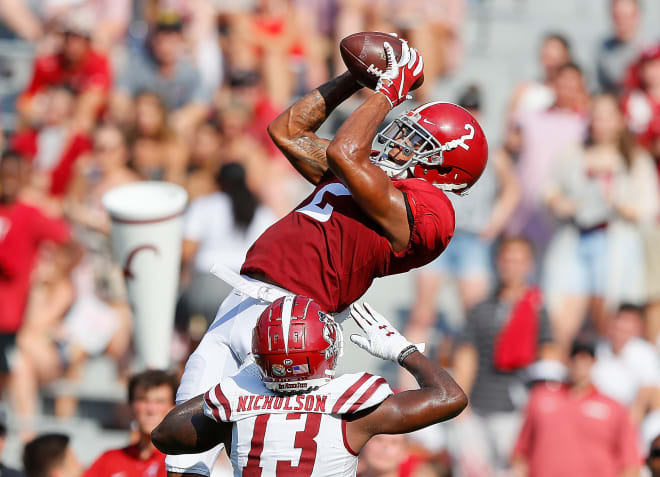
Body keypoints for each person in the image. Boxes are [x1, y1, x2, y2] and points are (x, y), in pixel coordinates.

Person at [162, 38, 488, 476]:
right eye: (405, 132)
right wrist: (356, 78)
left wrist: (389, 93)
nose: (398, 143)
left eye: (417, 142)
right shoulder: (369, 175)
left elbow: (343, 152)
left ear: (445, 169)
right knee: (183, 457)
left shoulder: (431, 211)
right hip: (241, 301)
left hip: (293, 324)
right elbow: (288, 131)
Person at [152, 296, 468, 476]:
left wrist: (242, 379)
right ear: (326, 350)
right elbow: (450, 397)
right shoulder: (354, 411)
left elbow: (165, 435)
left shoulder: (234, 408)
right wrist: (404, 352)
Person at [543, 93, 659, 347]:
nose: (600, 123)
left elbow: (647, 208)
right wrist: (563, 204)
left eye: (607, 117)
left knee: (608, 313)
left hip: (616, 241)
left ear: (619, 121)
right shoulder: (572, 154)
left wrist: (616, 200)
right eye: (596, 116)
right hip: (576, 239)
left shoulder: (635, 159)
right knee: (563, 313)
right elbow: (551, 191)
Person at [451, 237, 555, 475]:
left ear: (529, 265)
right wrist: (461, 403)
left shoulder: (538, 308)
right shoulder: (481, 309)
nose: (512, 266)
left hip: (517, 408)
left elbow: (548, 358)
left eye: (519, 261)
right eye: (508, 260)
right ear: (498, 263)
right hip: (478, 404)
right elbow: (467, 354)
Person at [511, 335, 641, 477]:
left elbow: (630, 463)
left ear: (594, 361)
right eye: (576, 357)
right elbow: (521, 452)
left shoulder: (613, 408)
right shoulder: (541, 398)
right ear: (568, 360)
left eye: (585, 358)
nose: (580, 363)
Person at [0, 151, 71, 393]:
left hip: (12, 321)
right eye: (4, 173)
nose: (8, 179)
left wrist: (55, 276)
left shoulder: (29, 214)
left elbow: (69, 243)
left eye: (14, 173)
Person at [83, 370, 178, 477]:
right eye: (143, 400)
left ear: (173, 408)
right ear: (130, 406)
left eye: (159, 401)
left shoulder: (182, 460)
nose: (151, 409)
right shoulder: (109, 460)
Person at [591, 304, 660, 424]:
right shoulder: (597, 349)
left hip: (628, 417)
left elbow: (649, 390)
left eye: (625, 330)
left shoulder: (644, 352)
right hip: (598, 413)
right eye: (616, 327)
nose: (619, 333)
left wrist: (631, 421)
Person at [596, 0, 647, 94]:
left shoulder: (651, 48)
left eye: (626, 16)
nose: (621, 22)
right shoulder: (603, 49)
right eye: (617, 16)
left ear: (637, 16)